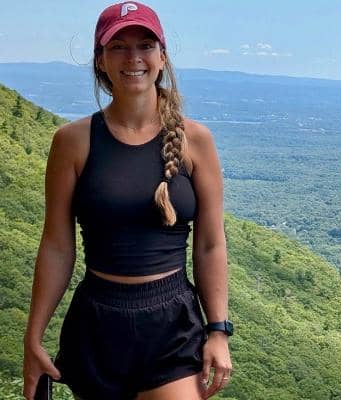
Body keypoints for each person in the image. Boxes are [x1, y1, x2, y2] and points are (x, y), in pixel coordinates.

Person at [22, 2, 233, 400]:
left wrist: (218, 330)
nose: (133, 57)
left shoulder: (196, 141)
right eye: (118, 47)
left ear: (162, 57)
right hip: (97, 325)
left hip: (173, 326)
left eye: (145, 45)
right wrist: (33, 338)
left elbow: (210, 244)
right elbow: (56, 245)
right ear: (100, 60)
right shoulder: (72, 142)